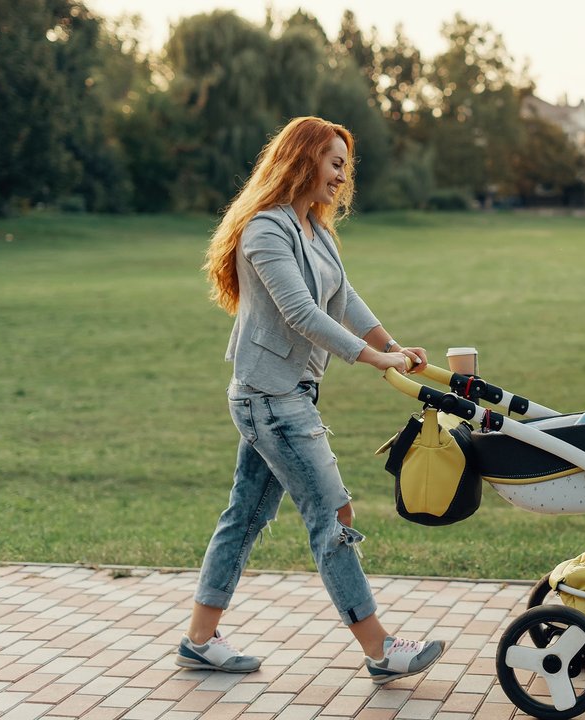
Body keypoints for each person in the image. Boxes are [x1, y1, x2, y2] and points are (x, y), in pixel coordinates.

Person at [176, 116, 445, 685]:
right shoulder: (265, 231)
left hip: (282, 395)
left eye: (346, 166)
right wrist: (373, 361)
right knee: (333, 515)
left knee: (243, 517)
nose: (342, 177)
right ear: (303, 161)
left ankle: (199, 639)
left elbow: (344, 298)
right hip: (269, 398)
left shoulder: (315, 231)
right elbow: (301, 313)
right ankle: (380, 649)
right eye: (335, 163)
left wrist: (393, 347)